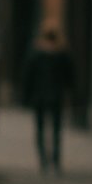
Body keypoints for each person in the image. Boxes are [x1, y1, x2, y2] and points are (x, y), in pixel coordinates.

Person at [22, 23, 74, 174]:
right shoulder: (62, 55)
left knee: (41, 129)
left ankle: (44, 160)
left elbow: (27, 77)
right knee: (56, 130)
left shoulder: (36, 54)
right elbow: (70, 78)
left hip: (40, 97)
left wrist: (26, 96)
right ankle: (55, 161)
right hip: (55, 96)